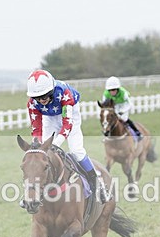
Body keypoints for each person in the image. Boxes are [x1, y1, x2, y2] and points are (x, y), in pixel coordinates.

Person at [25, 69, 110, 204]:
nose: (42, 100)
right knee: (44, 155)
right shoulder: (32, 104)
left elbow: (67, 125)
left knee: (77, 151)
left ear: (51, 90)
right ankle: (37, 192)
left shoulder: (65, 94)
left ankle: (98, 185)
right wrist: (37, 144)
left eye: (45, 95)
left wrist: (55, 143)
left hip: (70, 118)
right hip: (49, 118)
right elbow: (37, 127)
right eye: (38, 97)